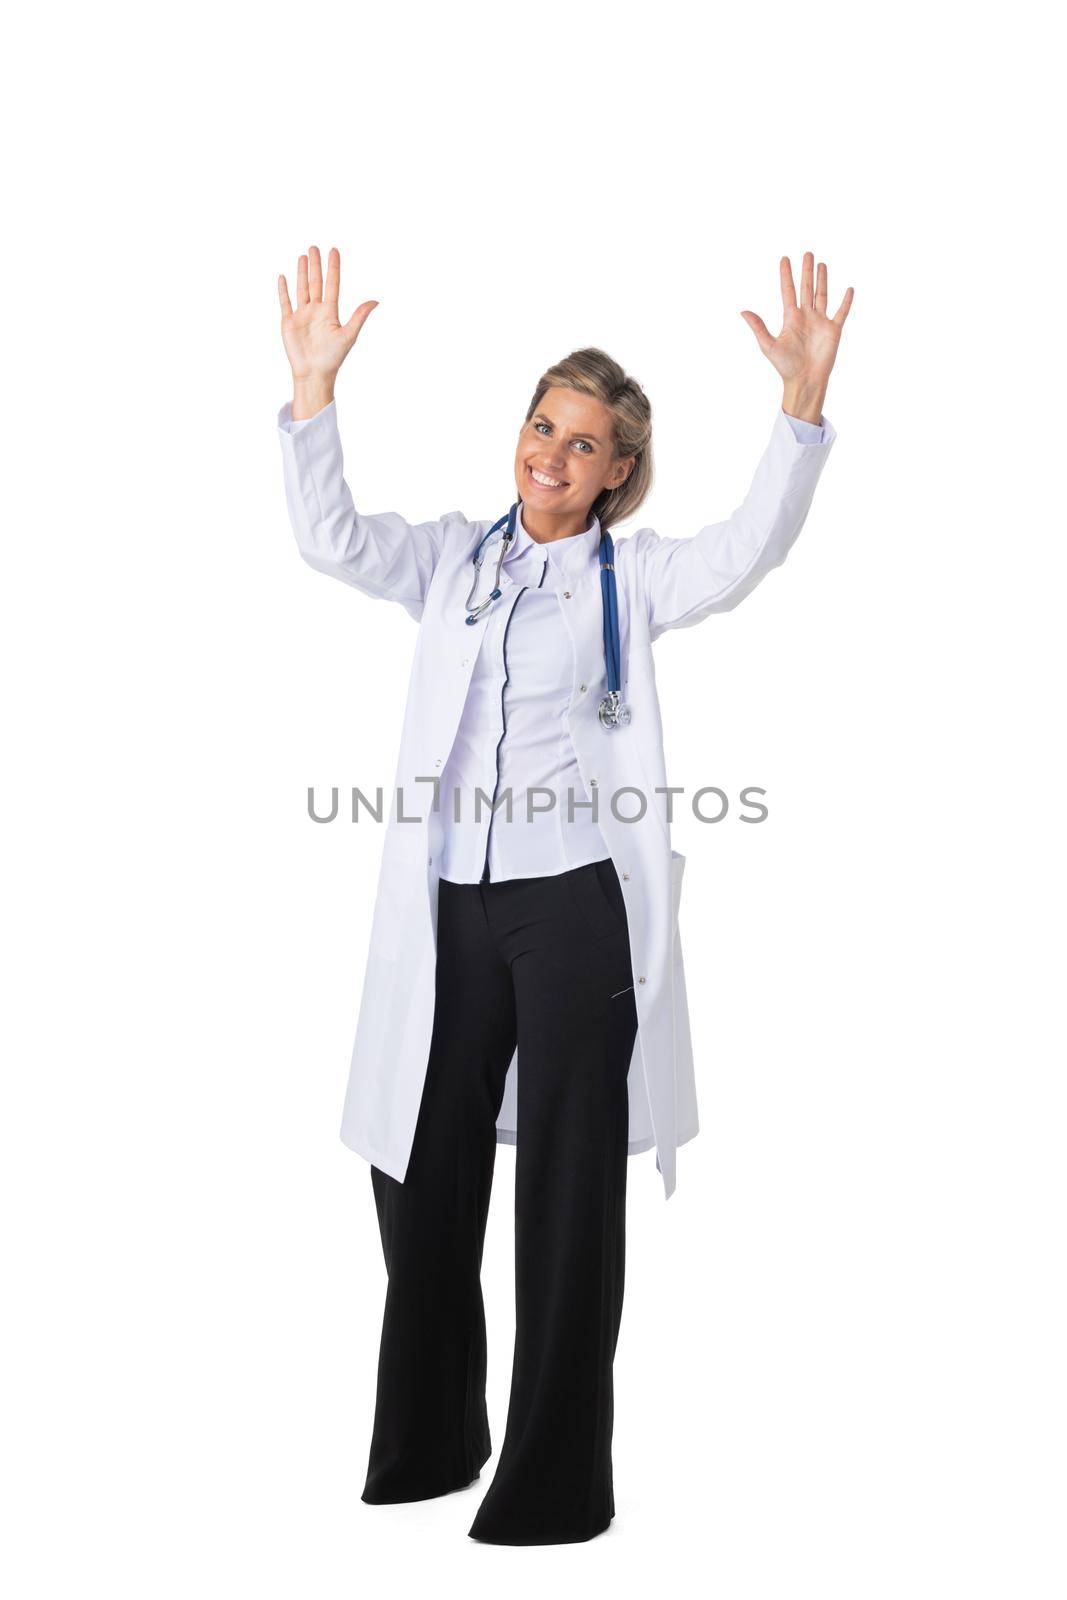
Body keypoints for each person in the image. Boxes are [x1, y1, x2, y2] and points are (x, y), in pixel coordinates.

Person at [275, 244, 851, 1545]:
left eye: (585, 443)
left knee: (567, 1201)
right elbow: (326, 538)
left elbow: (749, 549)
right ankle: (429, 1443)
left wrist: (799, 415)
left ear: (618, 474)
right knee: (419, 1175)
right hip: (448, 914)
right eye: (544, 424)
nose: (553, 452)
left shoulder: (629, 581)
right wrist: (313, 394)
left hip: (575, 909)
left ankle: (549, 1488)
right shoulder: (446, 562)